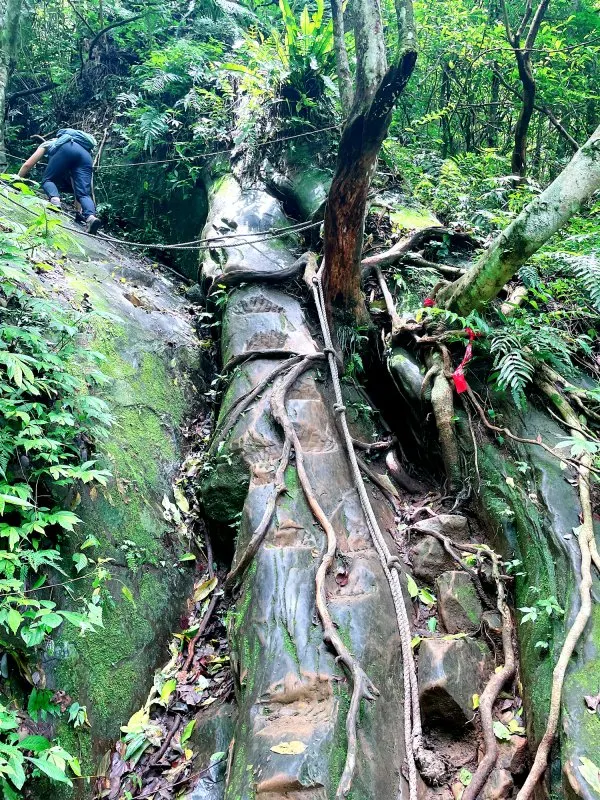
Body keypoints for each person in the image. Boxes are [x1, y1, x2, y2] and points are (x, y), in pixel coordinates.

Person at [18, 128, 102, 234]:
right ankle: (91, 218)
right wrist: (78, 209)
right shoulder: (82, 146)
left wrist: (15, 181)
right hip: (86, 156)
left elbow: (28, 164)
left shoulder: (49, 143)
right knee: (84, 194)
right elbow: (75, 183)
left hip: (67, 150)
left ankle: (55, 201)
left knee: (48, 179)